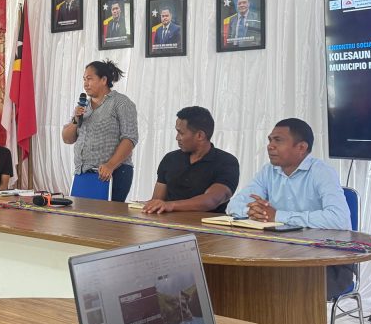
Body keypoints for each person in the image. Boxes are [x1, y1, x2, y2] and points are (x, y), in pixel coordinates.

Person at [225, 118, 353, 296]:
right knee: (236, 278)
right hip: (280, 253)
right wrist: (254, 212)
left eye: (278, 140)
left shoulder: (322, 172)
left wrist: (277, 215)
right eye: (270, 140)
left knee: (278, 286)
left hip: (326, 260)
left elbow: (339, 219)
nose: (270, 146)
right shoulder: (268, 171)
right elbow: (234, 205)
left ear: (301, 147)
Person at [62, 60, 138, 202]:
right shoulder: (83, 106)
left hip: (113, 172)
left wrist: (110, 165)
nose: (85, 84)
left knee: (107, 216)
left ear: (104, 80)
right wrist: (75, 119)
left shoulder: (121, 102)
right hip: (83, 174)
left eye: (89, 79)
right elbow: (67, 139)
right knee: (79, 214)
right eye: (84, 79)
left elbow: (130, 138)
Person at [142, 107, 239, 214]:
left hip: (204, 224)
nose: (177, 138)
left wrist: (170, 205)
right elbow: (156, 201)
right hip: (166, 223)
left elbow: (212, 200)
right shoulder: (170, 159)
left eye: (181, 133)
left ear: (200, 135)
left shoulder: (227, 162)